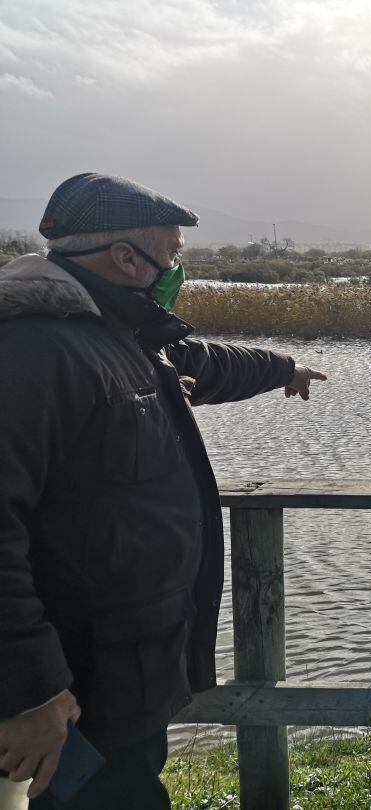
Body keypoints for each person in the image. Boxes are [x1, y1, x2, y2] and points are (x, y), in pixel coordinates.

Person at [0, 173, 327, 807]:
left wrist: (283, 370)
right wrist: (30, 690)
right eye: (172, 254)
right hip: (69, 688)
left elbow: (202, 366)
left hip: (118, 681)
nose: (176, 269)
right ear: (126, 258)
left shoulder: (118, 334)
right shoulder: (35, 352)